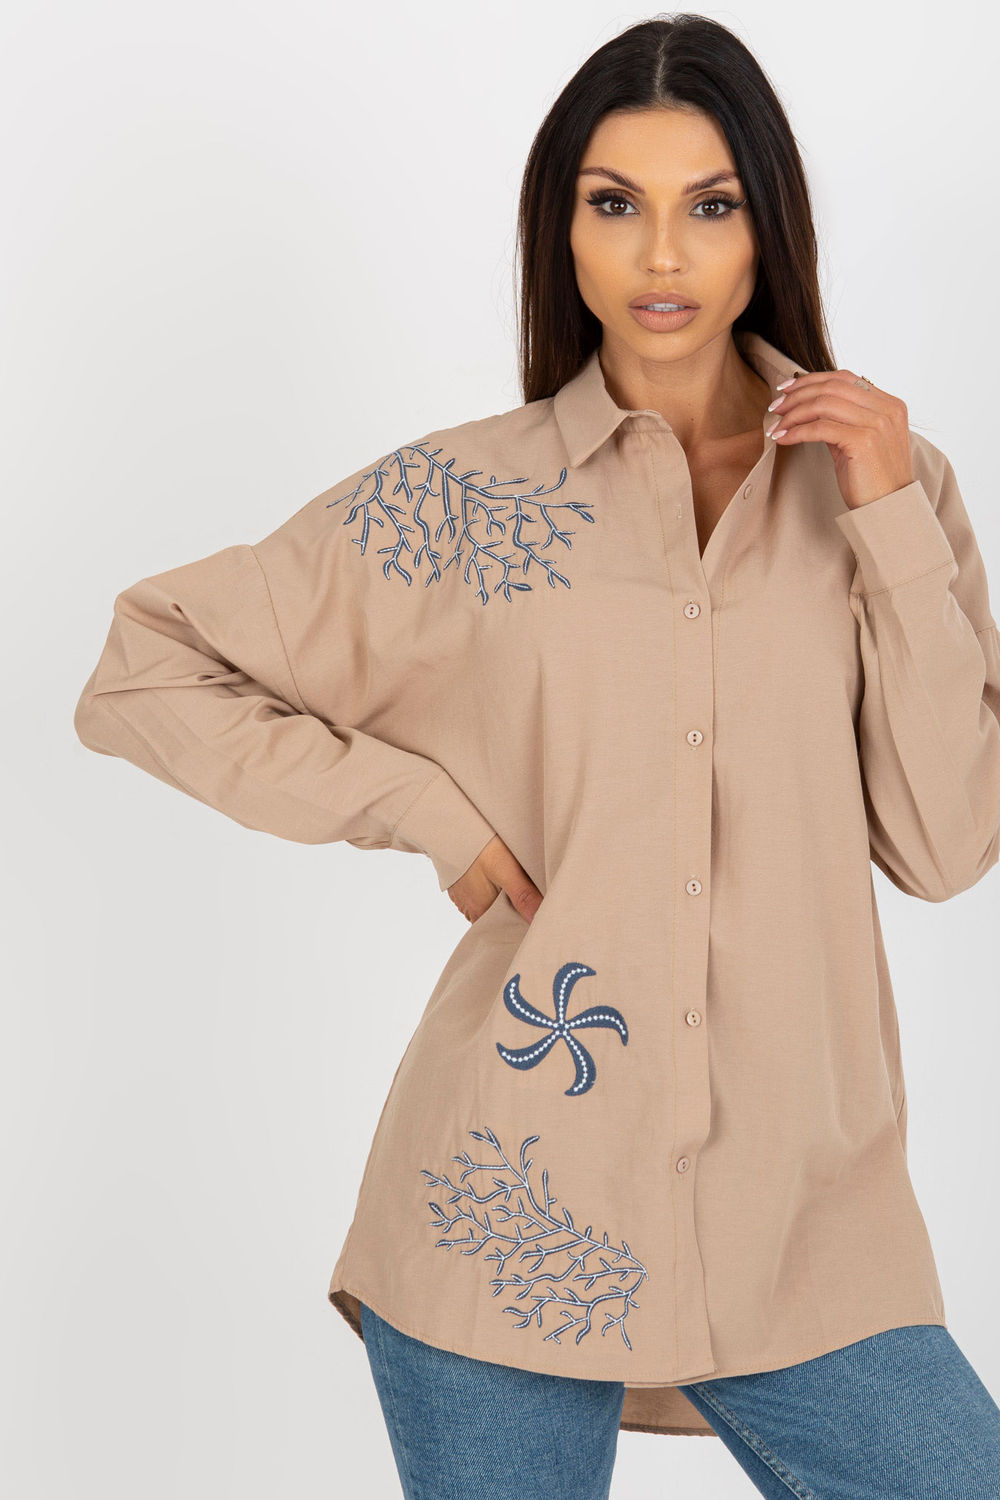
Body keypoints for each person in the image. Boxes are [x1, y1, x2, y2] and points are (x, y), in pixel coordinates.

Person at [73, 11, 1000, 1499]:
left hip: (804, 1231)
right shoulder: (466, 507)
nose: (662, 255)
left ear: (768, 228)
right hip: (509, 1221)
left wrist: (890, 519)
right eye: (614, 203)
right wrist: (420, 807)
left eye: (711, 205)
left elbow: (947, 845)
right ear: (560, 232)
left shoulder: (883, 486)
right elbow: (148, 661)